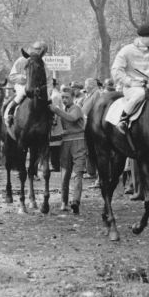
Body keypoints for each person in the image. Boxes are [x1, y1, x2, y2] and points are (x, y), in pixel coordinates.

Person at [111, 22, 149, 134]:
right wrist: (130, 82)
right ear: (142, 37)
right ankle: (123, 119)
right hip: (131, 88)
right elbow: (116, 71)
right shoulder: (126, 50)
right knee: (140, 94)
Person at [48, 84, 87, 215]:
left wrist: (56, 111)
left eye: (67, 97)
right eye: (62, 97)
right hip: (65, 143)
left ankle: (75, 201)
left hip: (78, 142)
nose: (64, 99)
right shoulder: (63, 110)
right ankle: (64, 202)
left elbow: (72, 118)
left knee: (78, 173)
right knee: (65, 174)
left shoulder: (76, 107)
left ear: (72, 97)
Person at [4, 41, 48, 126]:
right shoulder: (21, 60)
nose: (40, 52)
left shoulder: (43, 64)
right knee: (22, 94)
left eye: (43, 51)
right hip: (22, 86)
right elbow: (12, 76)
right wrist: (26, 78)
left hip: (37, 88)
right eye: (37, 49)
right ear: (33, 49)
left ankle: (52, 121)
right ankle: (10, 112)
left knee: (51, 99)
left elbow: (47, 79)